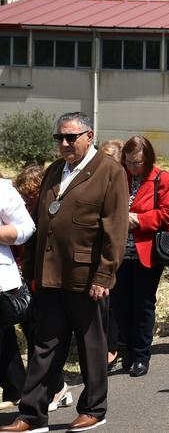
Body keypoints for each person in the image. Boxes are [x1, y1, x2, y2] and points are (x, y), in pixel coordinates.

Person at [2, 112, 128, 433]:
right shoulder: (55, 170)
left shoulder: (109, 171)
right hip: (50, 275)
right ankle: (32, 415)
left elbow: (115, 230)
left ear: (90, 135)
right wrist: (29, 268)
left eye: (71, 137)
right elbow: (42, 222)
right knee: (44, 345)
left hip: (87, 277)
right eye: (59, 138)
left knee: (92, 345)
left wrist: (104, 276)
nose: (65, 143)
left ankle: (94, 409)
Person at [109, 136, 169, 378]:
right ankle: (127, 347)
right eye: (128, 162)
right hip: (118, 251)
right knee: (119, 304)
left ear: (148, 159)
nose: (132, 167)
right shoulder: (120, 176)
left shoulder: (164, 179)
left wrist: (138, 219)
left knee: (142, 304)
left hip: (146, 252)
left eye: (137, 162)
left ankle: (141, 355)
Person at [10, 168, 72, 414]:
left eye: (32, 193)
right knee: (32, 335)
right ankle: (57, 387)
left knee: (42, 337)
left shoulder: (52, 209)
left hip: (45, 281)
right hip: (22, 280)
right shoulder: (21, 212)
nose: (28, 199)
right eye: (23, 195)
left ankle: (56, 389)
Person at [0, 177, 35, 412]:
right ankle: (15, 389)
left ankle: (19, 390)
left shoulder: (2, 189)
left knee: (3, 337)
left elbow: (26, 228)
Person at [97, 140, 124, 372]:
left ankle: (113, 347)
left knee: (116, 302)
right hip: (100, 249)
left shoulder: (122, 178)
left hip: (124, 250)